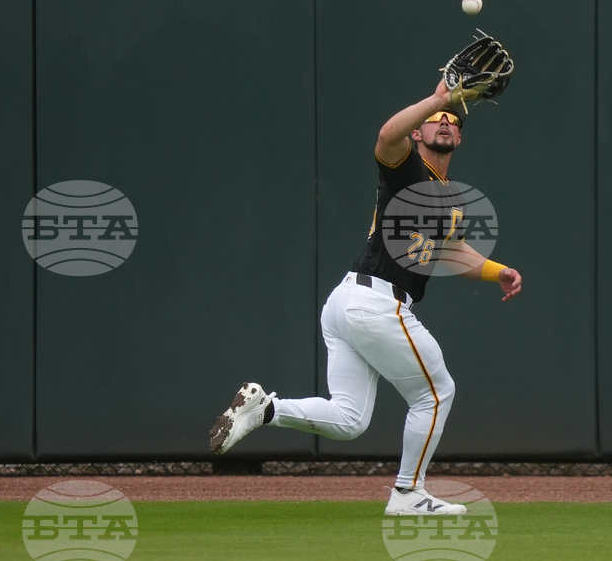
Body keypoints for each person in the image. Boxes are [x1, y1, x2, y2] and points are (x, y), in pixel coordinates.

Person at [209, 78, 523, 515]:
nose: (447, 121)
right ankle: (408, 493)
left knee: (350, 420)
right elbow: (386, 136)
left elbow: (450, 251)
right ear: (418, 132)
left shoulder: (450, 199)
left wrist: (497, 271)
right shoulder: (406, 166)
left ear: (461, 136)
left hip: (348, 305)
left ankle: (264, 410)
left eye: (454, 119)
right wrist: (436, 98)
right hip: (374, 303)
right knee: (435, 393)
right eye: (437, 119)